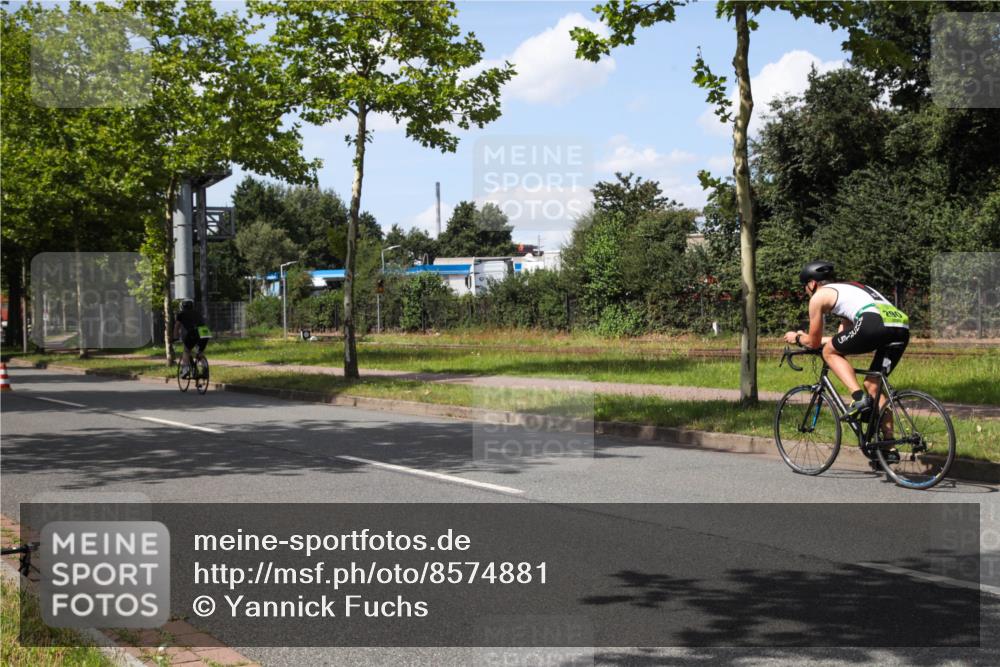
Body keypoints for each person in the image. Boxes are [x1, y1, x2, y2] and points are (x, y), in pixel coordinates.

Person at [783, 261, 910, 424]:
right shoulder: (850, 289)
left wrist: (798, 338)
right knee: (873, 385)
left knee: (828, 352)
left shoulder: (818, 298)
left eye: (804, 286)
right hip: (900, 327)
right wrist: (822, 341)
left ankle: (859, 398)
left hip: (872, 321)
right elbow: (842, 338)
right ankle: (889, 445)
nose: (805, 290)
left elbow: (814, 343)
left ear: (813, 283)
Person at [173, 299, 208, 378]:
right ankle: (205, 367)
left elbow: (176, 327)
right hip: (205, 332)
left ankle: (185, 370)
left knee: (186, 350)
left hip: (193, 332)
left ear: (182, 306)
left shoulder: (181, 314)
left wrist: (175, 338)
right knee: (199, 351)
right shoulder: (198, 313)